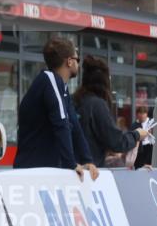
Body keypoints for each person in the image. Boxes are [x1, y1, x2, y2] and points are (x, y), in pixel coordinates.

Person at [14, 36, 99, 180]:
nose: (78, 64)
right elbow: (62, 123)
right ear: (69, 61)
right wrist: (71, 163)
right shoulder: (49, 80)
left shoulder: (61, 88)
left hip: (44, 171)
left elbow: (74, 126)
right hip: (31, 172)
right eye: (77, 60)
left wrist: (87, 160)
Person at [74, 56, 148, 168]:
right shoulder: (97, 105)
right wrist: (137, 135)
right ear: (104, 81)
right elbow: (116, 141)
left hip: (73, 170)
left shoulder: (75, 101)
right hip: (90, 173)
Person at [133, 105, 154, 169]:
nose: (142, 115)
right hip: (139, 149)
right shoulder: (134, 125)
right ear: (137, 114)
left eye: (144, 113)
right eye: (140, 113)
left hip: (150, 147)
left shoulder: (152, 122)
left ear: (146, 114)